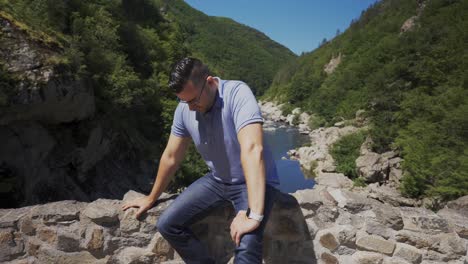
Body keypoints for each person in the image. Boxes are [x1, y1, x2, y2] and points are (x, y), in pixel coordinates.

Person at [121, 57, 280, 263]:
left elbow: (252, 148)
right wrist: (151, 198)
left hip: (252, 183)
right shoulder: (184, 108)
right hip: (218, 180)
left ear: (211, 82)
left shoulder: (237, 93)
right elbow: (171, 156)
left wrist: (254, 216)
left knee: (246, 242)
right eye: (184, 101)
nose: (189, 107)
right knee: (167, 223)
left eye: (193, 100)